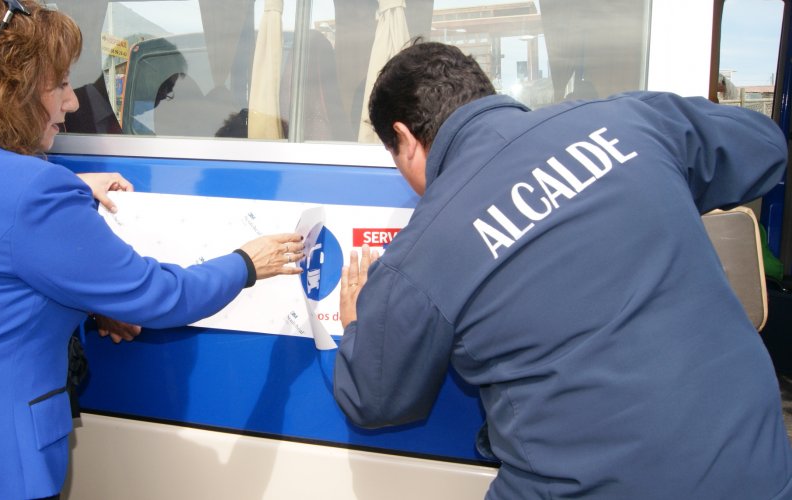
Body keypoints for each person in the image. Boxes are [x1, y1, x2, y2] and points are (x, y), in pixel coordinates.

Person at [0, 1, 305, 499]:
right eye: (59, 83)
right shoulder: (33, 193)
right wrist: (246, 263)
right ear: (9, 89)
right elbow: (158, 296)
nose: (72, 103)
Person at [334, 40, 792, 498]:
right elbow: (765, 145)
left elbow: (372, 398)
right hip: (758, 469)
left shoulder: (423, 249)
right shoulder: (628, 120)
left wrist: (357, 325)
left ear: (406, 139)